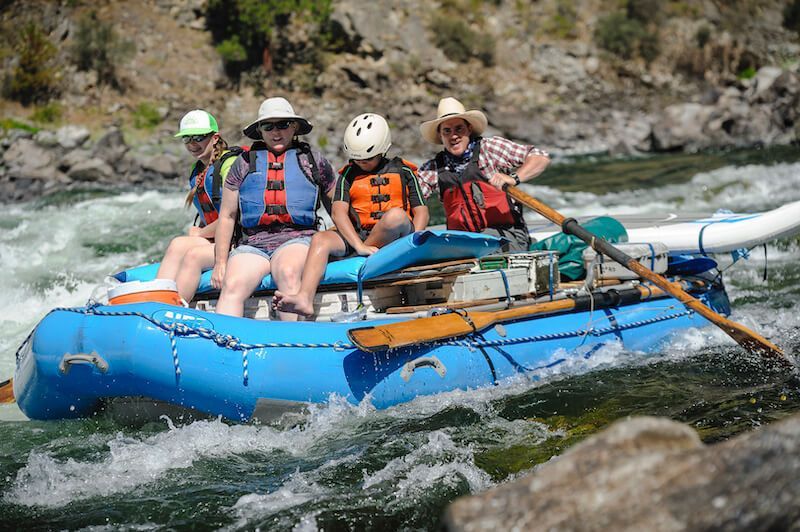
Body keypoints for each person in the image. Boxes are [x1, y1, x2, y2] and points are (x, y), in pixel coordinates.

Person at [274, 113, 429, 317]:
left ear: (383, 149)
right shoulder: (347, 175)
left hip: (397, 236)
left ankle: (355, 257)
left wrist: (414, 241)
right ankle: (304, 297)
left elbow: (421, 211)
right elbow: (338, 213)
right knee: (321, 238)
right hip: (359, 238)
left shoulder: (404, 171)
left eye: (368, 159)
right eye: (358, 159)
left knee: (395, 216)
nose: (362, 163)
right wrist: (358, 244)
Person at [211, 97, 335, 319]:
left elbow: (338, 209)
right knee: (233, 283)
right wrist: (220, 263)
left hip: (298, 239)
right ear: (260, 130)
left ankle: (291, 344)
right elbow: (227, 216)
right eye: (268, 126)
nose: (276, 132)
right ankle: (224, 345)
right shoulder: (243, 163)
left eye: (283, 125)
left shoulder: (314, 162)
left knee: (287, 272)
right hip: (253, 245)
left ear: (294, 127)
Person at [417, 97, 551, 252]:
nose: (453, 136)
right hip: (464, 243)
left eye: (459, 129)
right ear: (441, 136)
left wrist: (514, 178)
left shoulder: (490, 149)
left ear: (469, 129)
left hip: (507, 237)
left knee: (480, 243)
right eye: (447, 131)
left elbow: (540, 157)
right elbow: (414, 197)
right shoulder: (432, 169)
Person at [156, 110, 242, 301]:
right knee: (177, 244)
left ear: (215, 138)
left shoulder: (230, 165)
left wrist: (201, 233)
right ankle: (157, 302)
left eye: (198, 137)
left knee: (194, 256)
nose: (192, 144)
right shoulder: (199, 169)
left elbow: (235, 217)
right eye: (187, 139)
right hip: (218, 238)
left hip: (240, 240)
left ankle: (174, 309)